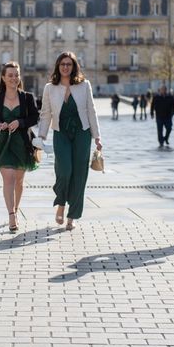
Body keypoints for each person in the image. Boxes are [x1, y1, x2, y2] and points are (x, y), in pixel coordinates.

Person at [38, 52, 102, 231]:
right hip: (61, 133)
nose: (65, 67)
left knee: (79, 174)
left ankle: (72, 216)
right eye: (62, 64)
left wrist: (97, 136)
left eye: (69, 64)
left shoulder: (84, 85)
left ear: (74, 66)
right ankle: (60, 202)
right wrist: (41, 136)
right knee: (64, 170)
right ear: (58, 67)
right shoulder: (50, 88)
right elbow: (45, 113)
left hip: (82, 133)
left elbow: (91, 111)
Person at [0, 62, 39, 232]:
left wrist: (20, 122)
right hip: (3, 144)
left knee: (19, 180)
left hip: (23, 143)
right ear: (3, 78)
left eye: (16, 75)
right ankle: (11, 214)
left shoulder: (27, 97)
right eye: (10, 75)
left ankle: (16, 209)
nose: (14, 78)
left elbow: (35, 118)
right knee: (8, 177)